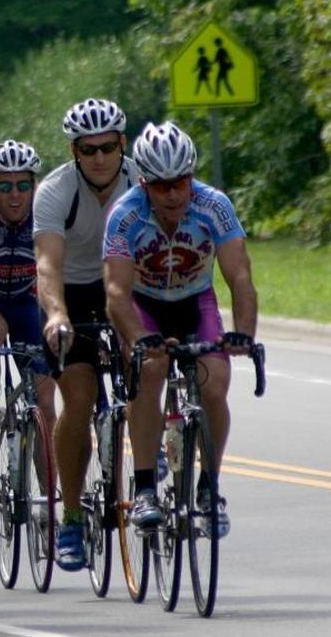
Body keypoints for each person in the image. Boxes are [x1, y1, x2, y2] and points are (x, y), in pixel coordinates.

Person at [104, 121, 257, 538]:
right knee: (150, 371)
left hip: (194, 301)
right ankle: (146, 489)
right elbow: (116, 292)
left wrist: (244, 332)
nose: (173, 194)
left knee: (214, 384)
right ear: (143, 182)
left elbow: (240, 277)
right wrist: (138, 338)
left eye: (181, 182)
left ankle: (209, 488)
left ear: (192, 176)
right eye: (161, 185)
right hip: (143, 305)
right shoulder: (126, 214)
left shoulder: (215, 205)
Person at [34, 98, 140, 572]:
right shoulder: (56, 191)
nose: (99, 157)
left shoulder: (142, 180)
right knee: (77, 401)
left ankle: (152, 481)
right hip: (73, 294)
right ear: (74, 151)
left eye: (108, 147)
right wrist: (56, 315)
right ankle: (72, 517)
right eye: (88, 148)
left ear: (123, 143)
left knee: (147, 375)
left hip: (127, 286)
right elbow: (47, 265)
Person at [0, 140, 56, 477]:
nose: (15, 195)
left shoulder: (44, 216)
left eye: (23, 185)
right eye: (5, 186)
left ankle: (53, 503)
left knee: (46, 404)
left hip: (26, 303)